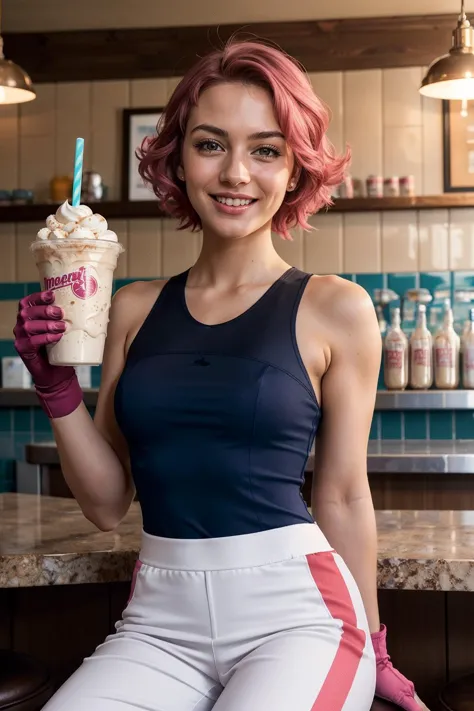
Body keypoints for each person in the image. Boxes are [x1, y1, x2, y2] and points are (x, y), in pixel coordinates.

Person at [14, 39, 426, 711]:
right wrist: (55, 387)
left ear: (295, 169)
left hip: (299, 619)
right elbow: (107, 503)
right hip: (158, 625)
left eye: (265, 149)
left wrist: (375, 649)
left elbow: (345, 496)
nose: (236, 172)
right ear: (177, 157)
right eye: (211, 144)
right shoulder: (132, 307)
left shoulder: (337, 308)